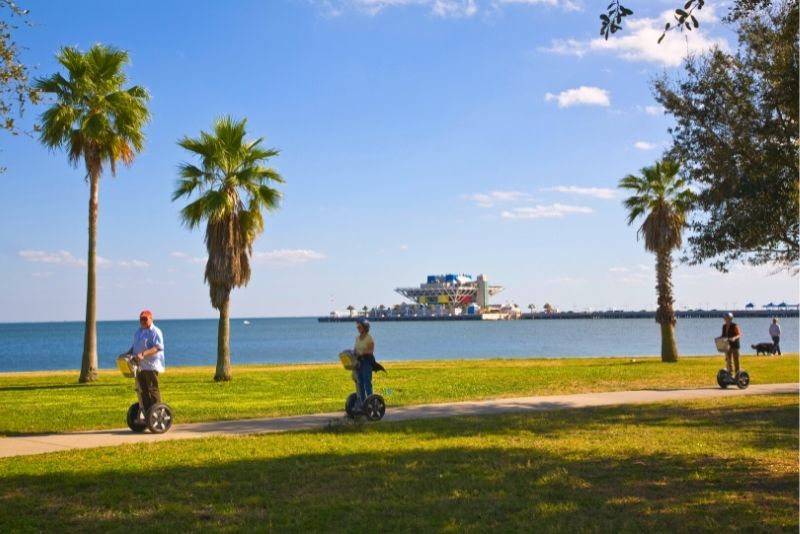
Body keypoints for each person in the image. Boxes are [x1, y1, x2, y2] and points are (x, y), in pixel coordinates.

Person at [129, 309, 165, 413]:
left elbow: (158, 347)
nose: (143, 321)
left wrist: (143, 354)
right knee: (142, 390)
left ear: (151, 319)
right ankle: (147, 412)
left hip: (151, 365)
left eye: (145, 319)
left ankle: (157, 412)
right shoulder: (139, 331)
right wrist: (128, 353)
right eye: (141, 319)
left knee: (152, 389)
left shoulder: (155, 331)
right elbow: (135, 346)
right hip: (140, 366)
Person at [353, 318, 385, 405]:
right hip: (359, 363)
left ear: (365, 327)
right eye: (357, 326)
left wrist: (362, 352)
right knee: (360, 383)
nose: (357, 328)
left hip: (367, 362)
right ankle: (363, 403)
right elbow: (355, 350)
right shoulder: (357, 338)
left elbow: (371, 351)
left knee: (367, 383)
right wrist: (354, 353)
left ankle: (371, 402)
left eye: (359, 326)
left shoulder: (369, 338)